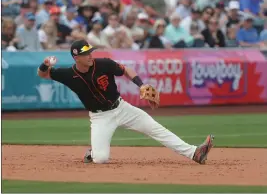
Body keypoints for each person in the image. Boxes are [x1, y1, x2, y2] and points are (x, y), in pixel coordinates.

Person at [37, 39, 214, 164]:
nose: (90, 55)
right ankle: (92, 153)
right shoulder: (68, 74)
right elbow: (43, 74)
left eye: (91, 52)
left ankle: (194, 153)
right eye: (86, 54)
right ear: (76, 58)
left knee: (156, 128)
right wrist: (45, 64)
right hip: (100, 118)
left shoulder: (103, 64)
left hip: (122, 108)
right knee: (101, 159)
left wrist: (141, 84)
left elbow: (126, 69)